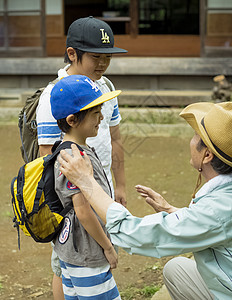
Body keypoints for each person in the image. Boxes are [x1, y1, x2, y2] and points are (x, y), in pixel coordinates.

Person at [57, 102, 232, 300]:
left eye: (195, 136)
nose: (191, 141)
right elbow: (209, 222)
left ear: (207, 155)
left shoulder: (218, 209)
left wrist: (86, 182)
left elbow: (137, 234)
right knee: (176, 269)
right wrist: (170, 210)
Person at [36, 16, 127, 299]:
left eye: (107, 58)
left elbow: (115, 139)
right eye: (95, 57)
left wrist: (119, 186)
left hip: (101, 190)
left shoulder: (106, 89)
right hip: (74, 206)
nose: (102, 64)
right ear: (72, 54)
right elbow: (48, 160)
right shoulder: (54, 96)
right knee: (65, 267)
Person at [50, 74, 122, 299]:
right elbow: (82, 211)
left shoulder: (71, 149)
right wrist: (107, 247)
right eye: (94, 113)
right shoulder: (73, 157)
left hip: (72, 252)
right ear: (72, 120)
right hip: (88, 252)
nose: (101, 117)